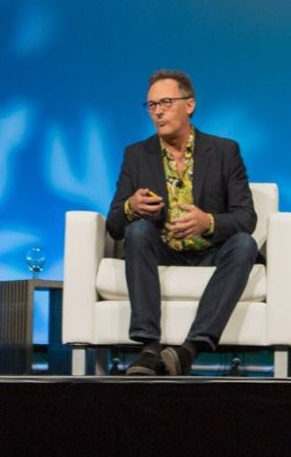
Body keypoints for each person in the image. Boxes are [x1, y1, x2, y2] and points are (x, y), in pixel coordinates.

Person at [107, 69, 258, 377]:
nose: (158, 111)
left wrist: (208, 222)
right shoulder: (136, 155)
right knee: (136, 230)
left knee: (245, 244)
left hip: (209, 251)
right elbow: (114, 226)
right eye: (151, 105)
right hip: (163, 249)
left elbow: (246, 217)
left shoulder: (225, 151)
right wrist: (130, 206)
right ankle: (149, 347)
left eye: (165, 102)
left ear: (189, 105)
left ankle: (190, 349)